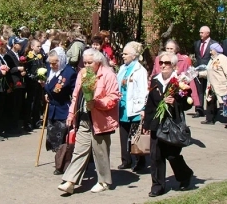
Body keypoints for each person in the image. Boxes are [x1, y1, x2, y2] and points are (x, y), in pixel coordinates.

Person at [57, 48, 119, 194]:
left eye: (90, 62)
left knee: (100, 152)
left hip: (101, 120)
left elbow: (114, 97)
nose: (86, 65)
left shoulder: (108, 75)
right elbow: (75, 95)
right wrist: (71, 114)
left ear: (98, 62)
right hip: (84, 117)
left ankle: (104, 181)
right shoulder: (82, 73)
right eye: (84, 62)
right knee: (79, 150)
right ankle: (70, 181)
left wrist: (97, 103)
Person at [143, 51, 193, 197]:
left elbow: (187, 104)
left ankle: (185, 175)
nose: (163, 66)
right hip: (156, 123)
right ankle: (157, 185)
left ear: (174, 66)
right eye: (161, 63)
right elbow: (150, 104)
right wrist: (146, 124)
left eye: (167, 63)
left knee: (172, 155)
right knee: (155, 155)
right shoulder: (154, 80)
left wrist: (176, 102)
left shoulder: (179, 82)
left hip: (172, 123)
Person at [44, 48, 77, 174]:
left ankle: (62, 165)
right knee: (53, 139)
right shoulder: (50, 70)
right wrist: (46, 93)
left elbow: (74, 92)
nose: (53, 65)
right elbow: (48, 85)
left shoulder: (69, 72)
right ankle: (60, 162)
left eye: (55, 62)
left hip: (63, 109)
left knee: (63, 139)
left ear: (61, 60)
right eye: (51, 63)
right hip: (52, 108)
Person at [116, 41, 148, 171]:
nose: (123, 56)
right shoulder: (123, 68)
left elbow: (143, 90)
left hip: (135, 107)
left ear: (134, 56)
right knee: (124, 134)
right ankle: (126, 160)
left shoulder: (140, 70)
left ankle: (140, 160)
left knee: (135, 136)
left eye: (125, 54)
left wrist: (142, 109)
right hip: (123, 107)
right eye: (123, 53)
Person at [150, 40, 199, 108]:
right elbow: (154, 73)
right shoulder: (158, 59)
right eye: (167, 48)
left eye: (171, 49)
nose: (169, 50)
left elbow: (190, 79)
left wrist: (194, 98)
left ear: (176, 49)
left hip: (175, 93)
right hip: (159, 91)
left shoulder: (183, 60)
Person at [202, 43, 227, 125]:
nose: (210, 52)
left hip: (221, 85)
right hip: (211, 85)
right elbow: (209, 71)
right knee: (210, 102)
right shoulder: (212, 59)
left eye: (211, 50)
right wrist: (199, 74)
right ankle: (210, 119)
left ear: (215, 50)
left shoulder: (223, 59)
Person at [193, 26, 217, 118]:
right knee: (199, 90)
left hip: (210, 71)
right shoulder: (197, 43)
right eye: (200, 32)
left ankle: (211, 111)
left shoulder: (214, 44)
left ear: (208, 33)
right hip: (199, 71)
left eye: (202, 33)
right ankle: (199, 110)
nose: (200, 34)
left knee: (209, 91)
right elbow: (197, 56)